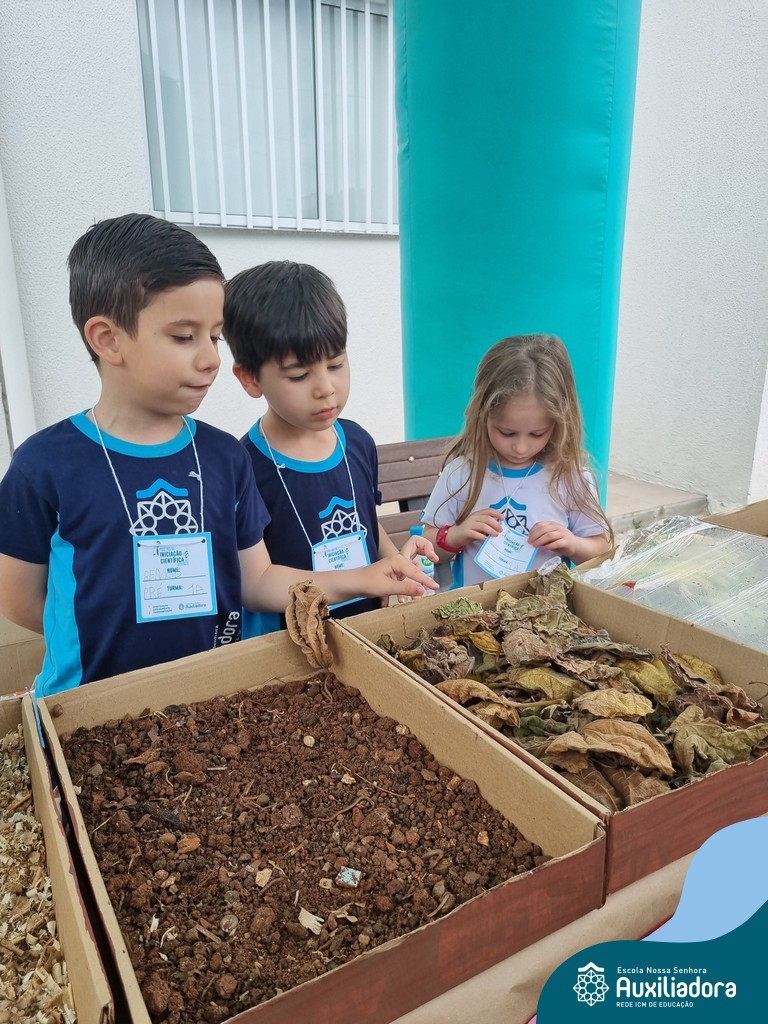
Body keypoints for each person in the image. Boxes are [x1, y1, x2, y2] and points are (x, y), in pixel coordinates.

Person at [0, 214, 436, 696]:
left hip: (215, 699)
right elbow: (21, 601)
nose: (210, 359)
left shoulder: (224, 457)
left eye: (215, 336)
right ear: (108, 339)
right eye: (184, 337)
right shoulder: (44, 465)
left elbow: (258, 581)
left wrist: (366, 578)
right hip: (85, 704)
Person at [223, 260, 428, 634]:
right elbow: (255, 584)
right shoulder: (244, 466)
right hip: (294, 647)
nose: (326, 388)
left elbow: (367, 524)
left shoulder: (358, 443)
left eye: (335, 364)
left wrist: (396, 567)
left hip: (368, 632)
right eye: (300, 375)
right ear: (250, 378)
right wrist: (361, 579)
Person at [420, 334, 613, 588]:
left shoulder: (569, 477)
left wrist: (572, 544)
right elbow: (426, 545)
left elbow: (601, 551)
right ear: (482, 415)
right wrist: (455, 535)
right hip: (473, 609)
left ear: (559, 423)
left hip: (546, 610)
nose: (520, 448)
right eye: (507, 432)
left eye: (537, 434)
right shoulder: (462, 473)